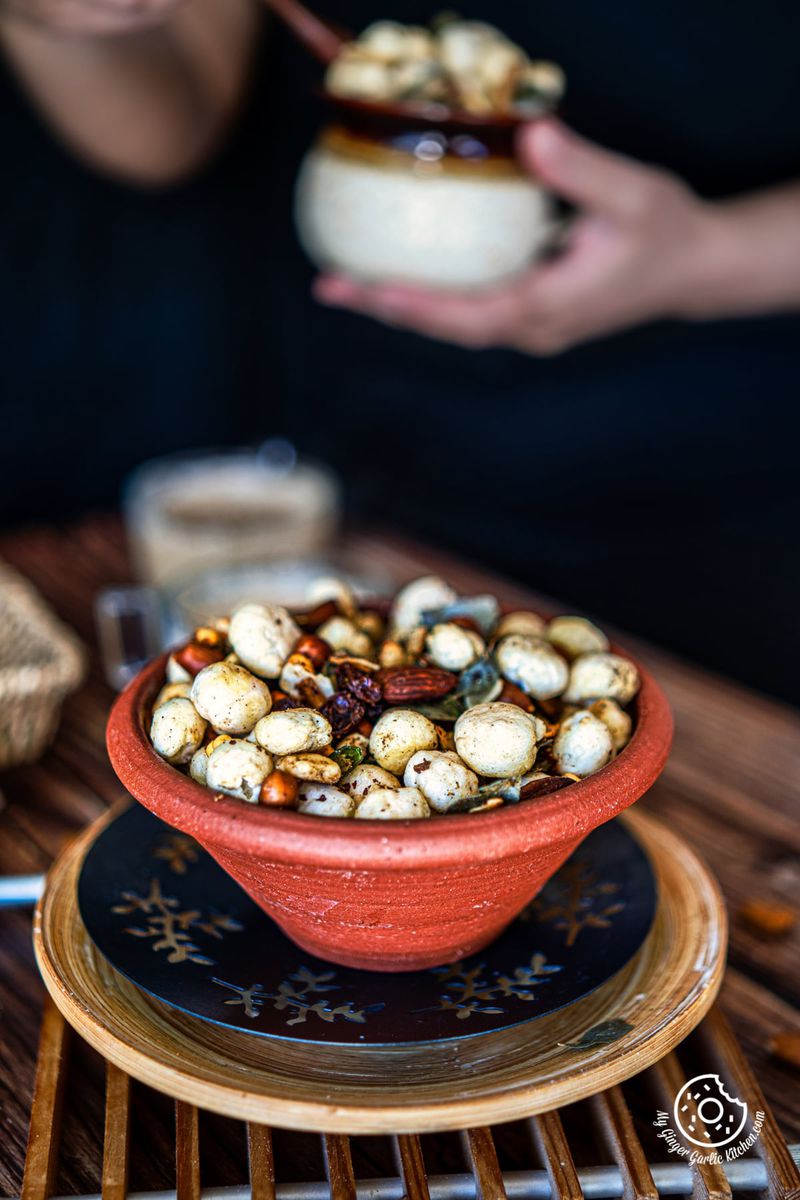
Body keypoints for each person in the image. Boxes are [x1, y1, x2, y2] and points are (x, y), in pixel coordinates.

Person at [2, 0, 799, 698]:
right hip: (361, 473)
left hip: (727, 502)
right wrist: (49, 21)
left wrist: (708, 256)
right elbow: (171, 129)